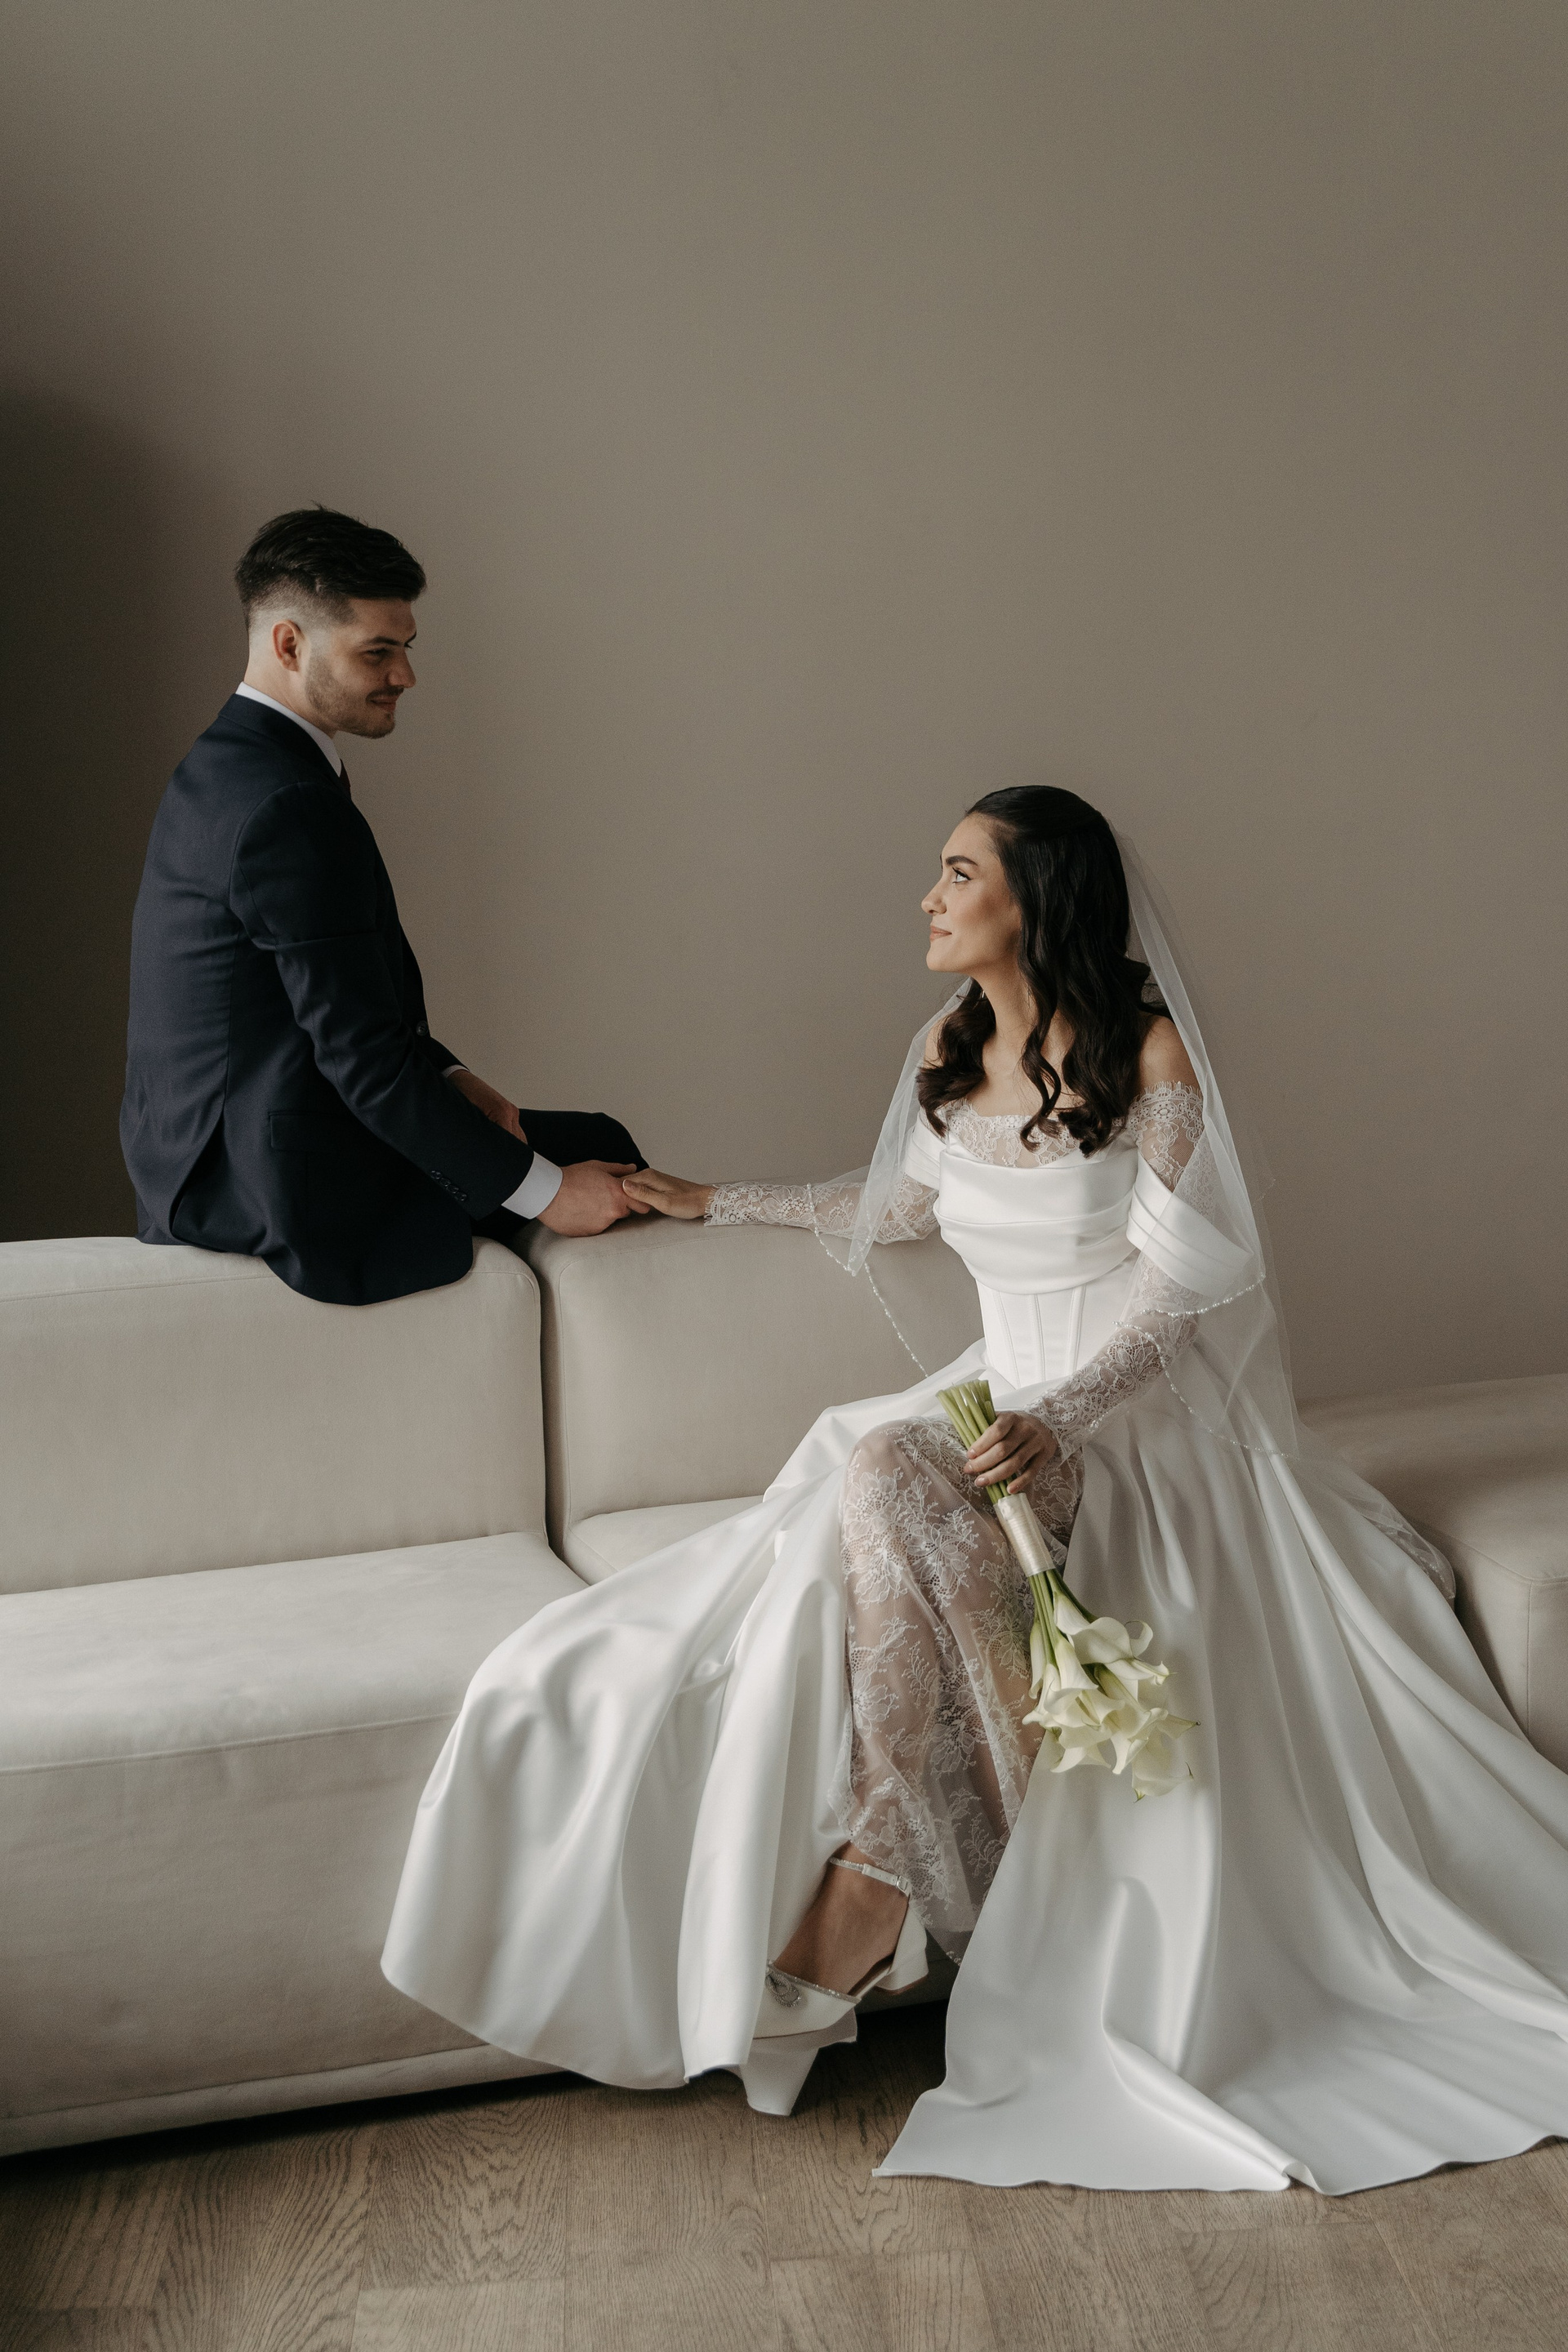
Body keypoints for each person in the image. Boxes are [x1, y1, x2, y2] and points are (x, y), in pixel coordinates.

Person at [381, 786, 1568, 2193]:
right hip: (991, 1401)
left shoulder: (1149, 1050)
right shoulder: (948, 1042)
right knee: (883, 1465)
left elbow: (1184, 1292)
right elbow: (898, 1206)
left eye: (958, 874)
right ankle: (937, 1834)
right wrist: (718, 1199)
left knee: (888, 1469)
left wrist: (1061, 1419)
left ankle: (881, 1873)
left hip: (1129, 1422)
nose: (930, 900)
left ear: (1036, 897)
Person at [121, 506, 644, 1306]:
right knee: (599, 1150)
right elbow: (360, 1055)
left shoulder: (229, 762)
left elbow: (320, 1003)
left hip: (194, 1156)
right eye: (378, 652)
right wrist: (544, 1193)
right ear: (289, 644)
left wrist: (452, 1075)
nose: (405, 676)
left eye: (406, 647)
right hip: (265, 1179)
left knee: (559, 1141)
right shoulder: (287, 802)